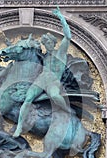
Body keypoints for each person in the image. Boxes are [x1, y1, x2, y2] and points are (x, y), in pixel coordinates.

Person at [13, 7, 72, 138]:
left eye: (49, 43)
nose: (47, 45)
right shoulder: (44, 56)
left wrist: (61, 17)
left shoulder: (60, 53)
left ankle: (67, 111)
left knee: (55, 96)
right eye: (45, 44)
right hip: (41, 80)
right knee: (28, 98)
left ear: (53, 43)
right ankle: (19, 126)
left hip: (53, 81)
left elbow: (68, 36)